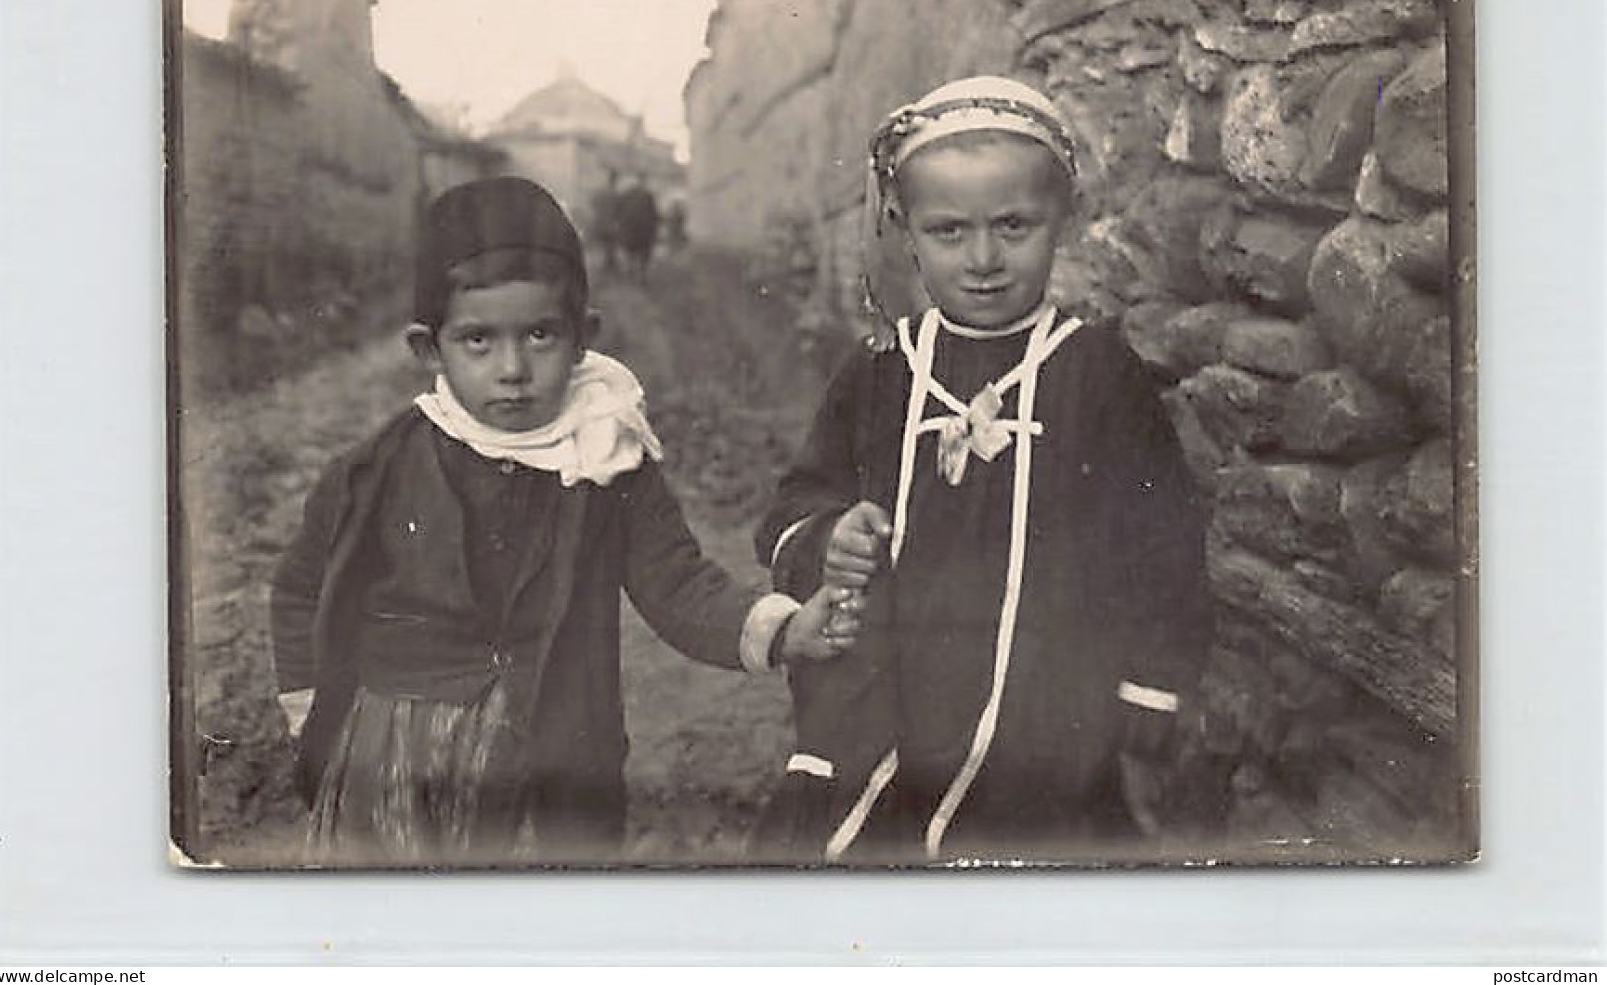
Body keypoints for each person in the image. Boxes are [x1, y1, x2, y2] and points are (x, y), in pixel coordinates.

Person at [269, 175, 852, 866]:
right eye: (478, 341)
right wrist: (319, 714)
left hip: (551, 757)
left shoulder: (607, 458)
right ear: (430, 349)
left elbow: (677, 582)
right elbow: (303, 585)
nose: (512, 368)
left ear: (584, 337)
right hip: (396, 753)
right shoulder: (378, 467)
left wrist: (781, 628)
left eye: (540, 334)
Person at [753, 76, 1214, 864]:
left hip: (1044, 700)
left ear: (1060, 219)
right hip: (886, 695)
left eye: (1012, 226)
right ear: (906, 232)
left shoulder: (1095, 372)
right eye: (947, 231)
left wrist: (1149, 680)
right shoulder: (881, 371)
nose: (983, 260)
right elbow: (794, 502)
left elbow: (1160, 535)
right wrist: (829, 535)